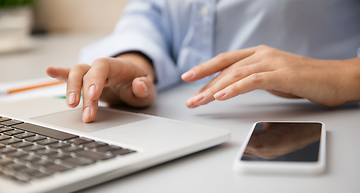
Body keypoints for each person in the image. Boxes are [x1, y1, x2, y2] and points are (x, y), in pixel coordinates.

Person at [46, 0, 360, 123]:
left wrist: (345, 76)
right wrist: (133, 65)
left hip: (322, 122)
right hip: (167, 121)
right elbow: (151, 13)